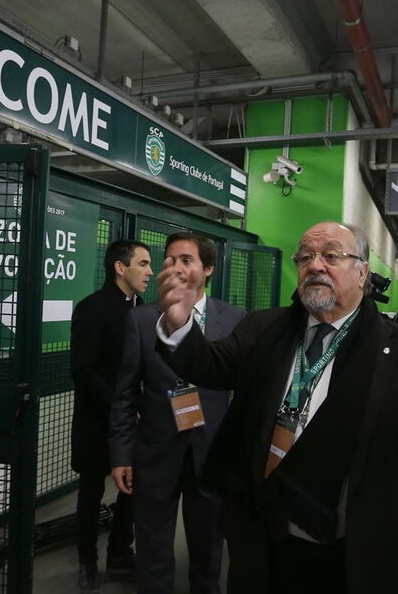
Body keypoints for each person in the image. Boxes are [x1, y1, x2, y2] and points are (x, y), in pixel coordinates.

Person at [156, 221, 398, 594]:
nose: (315, 265)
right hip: (262, 544)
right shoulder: (264, 328)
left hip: (355, 556)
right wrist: (180, 325)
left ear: (362, 272)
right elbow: (210, 366)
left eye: (331, 255)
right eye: (305, 257)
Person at [110, 233, 246, 594]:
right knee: (153, 552)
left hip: (212, 454)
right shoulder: (141, 320)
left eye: (186, 260)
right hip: (155, 451)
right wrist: (122, 453)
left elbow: (245, 392)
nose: (175, 267)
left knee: (208, 551)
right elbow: (124, 393)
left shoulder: (234, 319)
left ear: (208, 269)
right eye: (169, 260)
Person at [70, 240, 153, 591]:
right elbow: (84, 370)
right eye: (143, 264)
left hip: (132, 421)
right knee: (91, 491)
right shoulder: (92, 308)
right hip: (96, 420)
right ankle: (87, 561)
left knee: (131, 488)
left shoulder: (141, 308)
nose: (150, 271)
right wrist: (124, 407)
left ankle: (120, 552)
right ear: (121, 268)